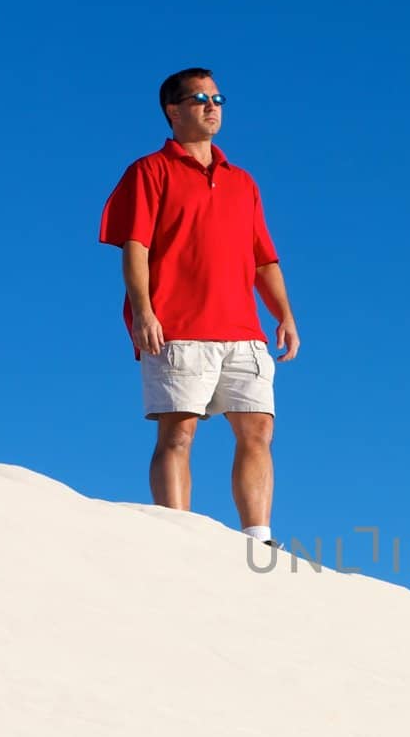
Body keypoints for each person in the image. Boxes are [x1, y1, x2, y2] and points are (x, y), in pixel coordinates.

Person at [99, 68, 299, 546]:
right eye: (199, 99)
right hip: (177, 327)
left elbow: (263, 258)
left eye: (217, 98)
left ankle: (258, 537)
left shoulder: (242, 182)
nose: (212, 106)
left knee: (257, 432)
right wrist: (144, 311)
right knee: (178, 434)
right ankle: (177, 535)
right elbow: (135, 246)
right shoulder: (149, 170)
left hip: (242, 331)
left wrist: (284, 314)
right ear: (174, 111)